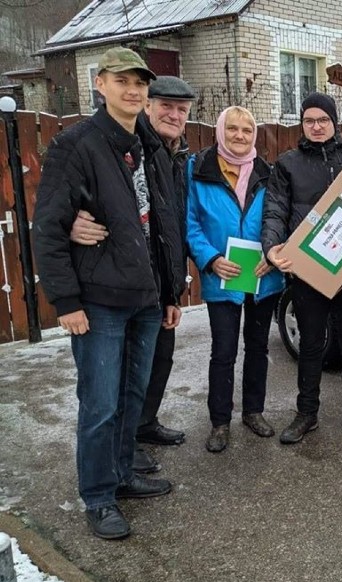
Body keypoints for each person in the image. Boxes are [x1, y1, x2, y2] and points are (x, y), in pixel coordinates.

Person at [33, 48, 186, 539]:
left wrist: (169, 292)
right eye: (122, 81)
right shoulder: (76, 145)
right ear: (100, 85)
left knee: (129, 396)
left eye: (139, 82)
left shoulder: (151, 147)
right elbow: (50, 228)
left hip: (144, 298)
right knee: (99, 403)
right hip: (99, 300)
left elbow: (161, 225)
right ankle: (98, 496)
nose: (133, 90)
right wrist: (67, 302)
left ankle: (122, 475)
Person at [70, 75, 196, 475]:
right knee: (119, 380)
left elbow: (169, 224)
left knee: (157, 361)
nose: (173, 115)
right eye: (165, 107)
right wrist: (70, 222)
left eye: (181, 110)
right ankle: (120, 455)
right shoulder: (132, 148)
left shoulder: (176, 155)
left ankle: (143, 426)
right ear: (147, 107)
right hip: (119, 288)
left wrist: (174, 290)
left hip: (160, 283)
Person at [262, 93, 342, 447]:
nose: (317, 126)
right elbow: (275, 210)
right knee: (310, 345)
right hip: (309, 273)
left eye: (323, 119)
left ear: (335, 122)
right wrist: (271, 246)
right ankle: (306, 414)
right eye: (309, 120)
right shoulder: (287, 164)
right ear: (302, 124)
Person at [186, 106, 284, 453]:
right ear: (220, 131)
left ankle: (254, 411)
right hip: (222, 277)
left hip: (261, 277)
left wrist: (272, 254)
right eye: (233, 129)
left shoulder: (268, 172)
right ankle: (220, 421)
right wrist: (210, 259)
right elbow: (191, 224)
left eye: (246, 130)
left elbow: (278, 219)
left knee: (257, 348)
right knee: (223, 351)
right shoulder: (198, 170)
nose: (240, 136)